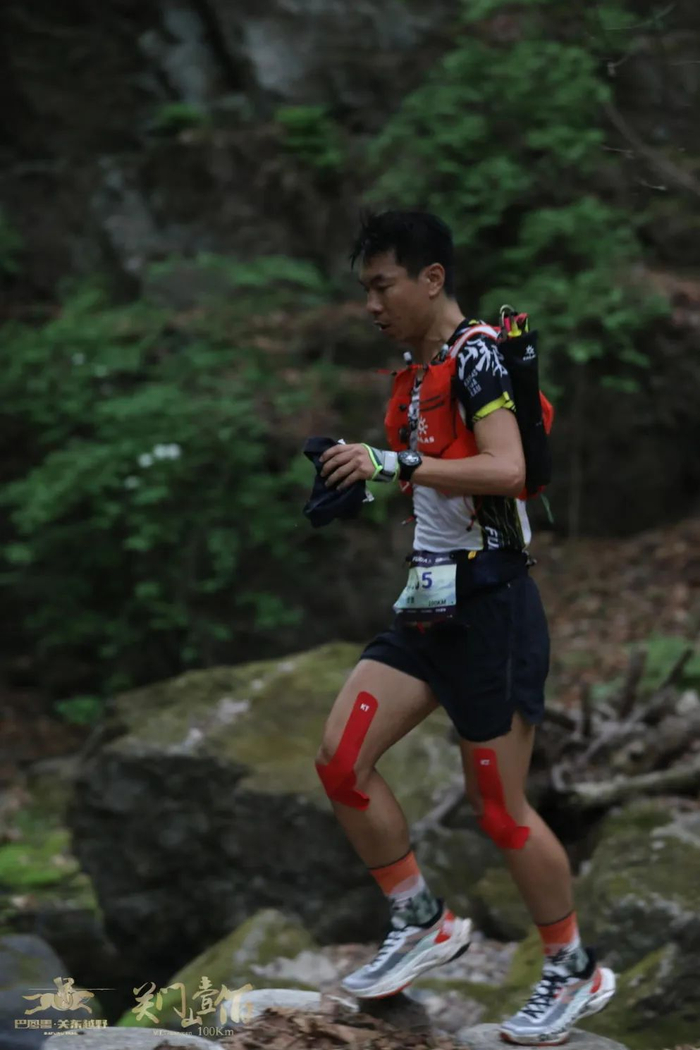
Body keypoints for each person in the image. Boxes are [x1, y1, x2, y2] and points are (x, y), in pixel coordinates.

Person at [313, 210, 616, 1045]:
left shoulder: (478, 355)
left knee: (500, 811)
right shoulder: (417, 374)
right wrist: (357, 477)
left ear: (432, 278)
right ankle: (421, 919)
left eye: (383, 286)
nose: (372, 304)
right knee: (341, 760)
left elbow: (509, 469)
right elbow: (436, 482)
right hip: (428, 603)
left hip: (491, 611)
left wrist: (394, 463)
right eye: (366, 289)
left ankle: (574, 968)